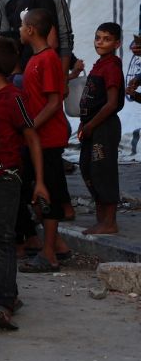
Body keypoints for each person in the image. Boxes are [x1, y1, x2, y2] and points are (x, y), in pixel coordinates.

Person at [0, 36, 46, 331]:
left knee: (3, 237)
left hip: (5, 176)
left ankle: (4, 303)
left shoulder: (14, 97)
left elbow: (32, 138)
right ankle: (10, 296)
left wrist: (39, 182)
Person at [17, 9, 73, 273]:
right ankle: (58, 245)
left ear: (30, 30)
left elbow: (54, 102)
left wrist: (31, 126)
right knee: (32, 192)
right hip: (35, 138)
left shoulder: (48, 59)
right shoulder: (34, 59)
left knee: (48, 192)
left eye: (21, 26)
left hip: (47, 138)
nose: (18, 30)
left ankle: (49, 254)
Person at [77, 22, 124, 235]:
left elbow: (111, 104)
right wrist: (83, 124)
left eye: (106, 39)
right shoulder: (99, 64)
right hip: (91, 127)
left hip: (104, 127)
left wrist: (91, 125)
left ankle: (110, 222)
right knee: (87, 168)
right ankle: (101, 219)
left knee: (103, 171)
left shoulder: (112, 66)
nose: (100, 42)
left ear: (117, 43)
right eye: (98, 38)